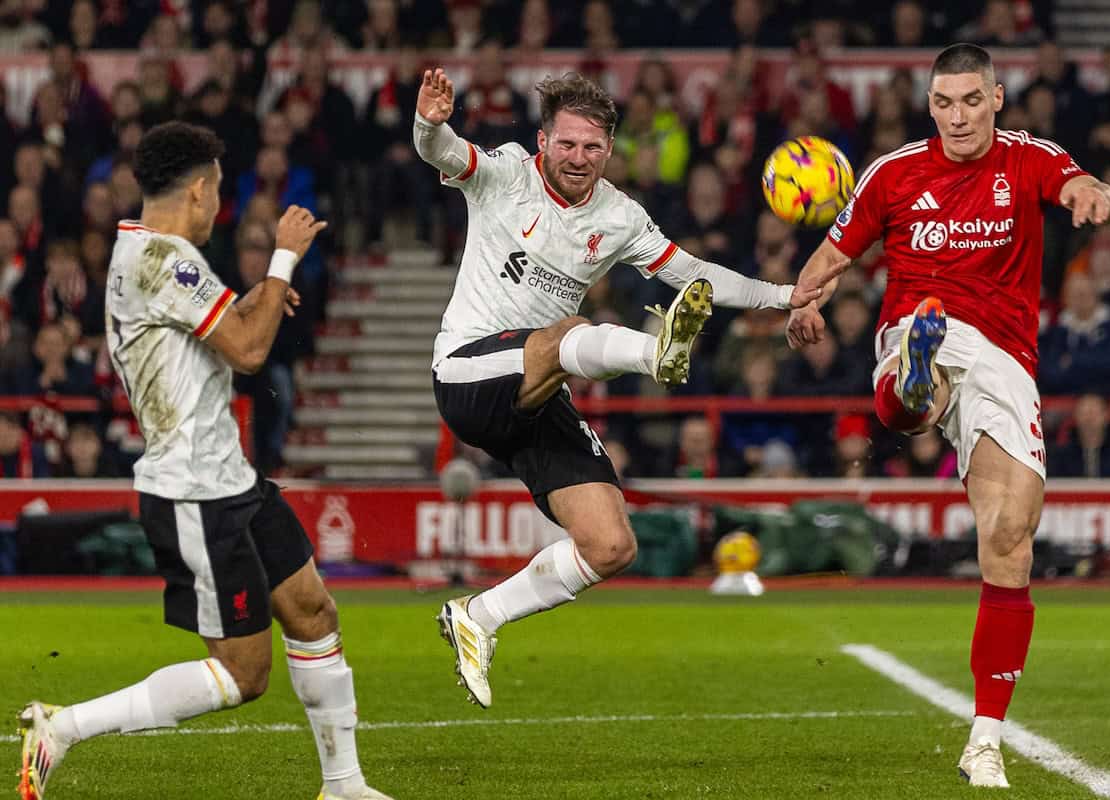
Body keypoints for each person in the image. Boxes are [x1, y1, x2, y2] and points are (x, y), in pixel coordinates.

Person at [17, 122, 390, 800]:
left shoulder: (148, 254)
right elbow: (249, 353)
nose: (219, 205)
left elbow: (214, 339)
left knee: (312, 610)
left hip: (232, 478)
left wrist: (254, 300)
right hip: (194, 492)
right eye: (217, 190)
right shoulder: (166, 259)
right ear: (198, 189)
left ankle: (344, 786)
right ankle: (63, 725)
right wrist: (281, 261)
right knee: (244, 676)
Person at [415, 68, 809, 708]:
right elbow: (442, 151)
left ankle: (478, 617)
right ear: (543, 141)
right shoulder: (507, 174)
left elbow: (696, 275)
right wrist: (430, 123)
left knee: (610, 543)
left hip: (537, 388)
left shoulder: (619, 216)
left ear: (610, 150)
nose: (578, 158)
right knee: (568, 331)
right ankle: (659, 355)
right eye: (567, 144)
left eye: (592, 147)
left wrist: (785, 296)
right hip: (467, 372)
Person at [786, 44, 1110, 788]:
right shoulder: (893, 173)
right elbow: (834, 253)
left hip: (1004, 357)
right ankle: (913, 384)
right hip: (922, 320)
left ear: (997, 98)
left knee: (1009, 538)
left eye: (972, 100)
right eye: (944, 102)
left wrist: (1096, 196)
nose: (958, 115)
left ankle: (984, 739)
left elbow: (1081, 183)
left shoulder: (1027, 157)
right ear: (930, 105)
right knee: (921, 375)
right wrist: (801, 302)